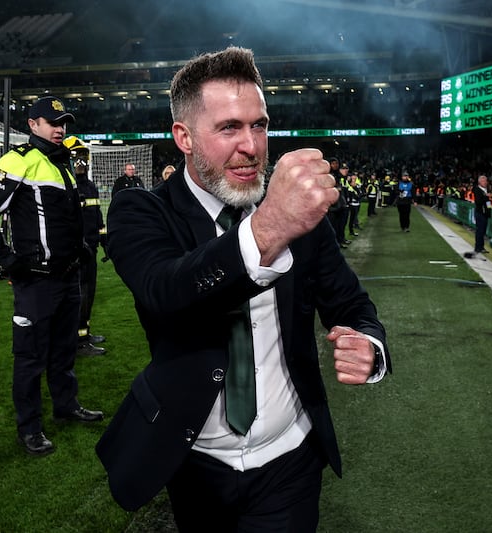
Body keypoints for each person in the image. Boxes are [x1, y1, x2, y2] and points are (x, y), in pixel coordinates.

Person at [95, 47, 390, 531]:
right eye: (229, 127)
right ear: (184, 137)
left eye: (259, 125)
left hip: (290, 458)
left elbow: (352, 303)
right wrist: (270, 227)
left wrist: (369, 345)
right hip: (195, 462)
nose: (252, 146)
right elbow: (166, 291)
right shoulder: (142, 211)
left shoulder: (301, 219)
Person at [0, 96, 103, 456]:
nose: (60, 128)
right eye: (52, 122)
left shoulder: (62, 165)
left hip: (67, 278)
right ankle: (29, 428)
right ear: (32, 125)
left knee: (63, 351)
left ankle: (66, 405)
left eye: (64, 123)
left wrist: (81, 249)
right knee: (29, 358)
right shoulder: (18, 161)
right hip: (36, 282)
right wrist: (7, 259)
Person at [64, 136, 107, 357]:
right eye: (75, 158)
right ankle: (78, 341)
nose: (80, 163)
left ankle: (85, 333)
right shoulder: (65, 186)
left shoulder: (90, 186)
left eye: (82, 157)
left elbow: (97, 217)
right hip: (75, 252)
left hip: (91, 249)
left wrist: (104, 239)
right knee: (79, 295)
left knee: (89, 293)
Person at [473, 174, 492, 254]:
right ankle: (478, 247)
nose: (485, 182)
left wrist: (489, 209)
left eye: (486, 181)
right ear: (479, 182)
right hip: (480, 213)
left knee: (483, 231)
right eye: (483, 181)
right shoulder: (477, 190)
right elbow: (478, 202)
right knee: (479, 231)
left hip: (485, 213)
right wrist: (486, 197)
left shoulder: (486, 190)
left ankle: (481, 247)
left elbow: (487, 202)